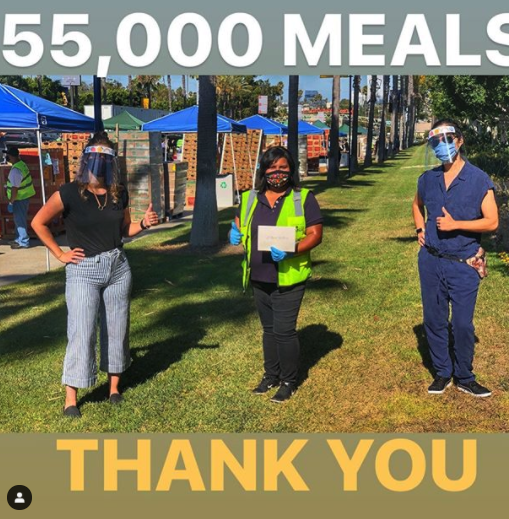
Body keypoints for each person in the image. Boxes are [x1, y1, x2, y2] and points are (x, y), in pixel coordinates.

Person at [31, 132, 159, 418]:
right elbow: (38, 222)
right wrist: (60, 254)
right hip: (83, 271)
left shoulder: (118, 192)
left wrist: (143, 223)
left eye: (105, 158)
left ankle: (114, 387)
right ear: (86, 159)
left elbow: (125, 231)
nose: (99, 163)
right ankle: (71, 398)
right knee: (82, 330)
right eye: (95, 157)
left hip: (117, 267)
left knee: (117, 327)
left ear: (112, 162)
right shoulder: (68, 193)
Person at [229, 146, 323, 403]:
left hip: (288, 276)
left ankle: (289, 380)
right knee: (268, 330)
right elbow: (238, 223)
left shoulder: (303, 198)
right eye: (272, 168)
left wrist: (292, 250)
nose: (278, 174)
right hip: (258, 275)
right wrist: (233, 231)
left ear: (291, 170)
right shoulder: (249, 198)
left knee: (284, 331)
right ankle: (270, 375)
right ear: (264, 171)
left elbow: (316, 234)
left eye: (283, 168)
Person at [412, 120, 498, 397]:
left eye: (448, 139)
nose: (443, 146)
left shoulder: (478, 178)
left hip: (463, 263)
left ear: (460, 141)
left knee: (462, 323)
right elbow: (416, 205)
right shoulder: (427, 179)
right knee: (434, 320)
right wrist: (420, 228)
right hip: (431, 260)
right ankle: (442, 372)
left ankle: (464, 375)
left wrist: (456, 225)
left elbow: (492, 222)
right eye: (437, 142)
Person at [3, 146, 35, 249]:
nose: (6, 157)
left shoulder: (15, 170)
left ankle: (23, 241)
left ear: (11, 156)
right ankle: (18, 239)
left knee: (20, 221)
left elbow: (14, 189)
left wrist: (11, 202)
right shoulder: (21, 165)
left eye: (7, 155)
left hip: (19, 199)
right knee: (18, 220)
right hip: (24, 197)